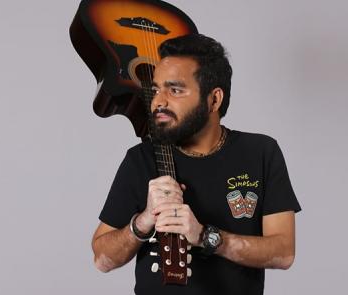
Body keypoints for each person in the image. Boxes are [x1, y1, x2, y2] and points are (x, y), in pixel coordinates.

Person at [91, 34, 301, 295]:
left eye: (175, 90)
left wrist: (205, 237)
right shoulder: (140, 159)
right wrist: (143, 222)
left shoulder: (260, 152)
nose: (158, 101)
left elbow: (283, 253)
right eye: (156, 89)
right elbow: (102, 258)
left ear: (214, 100)